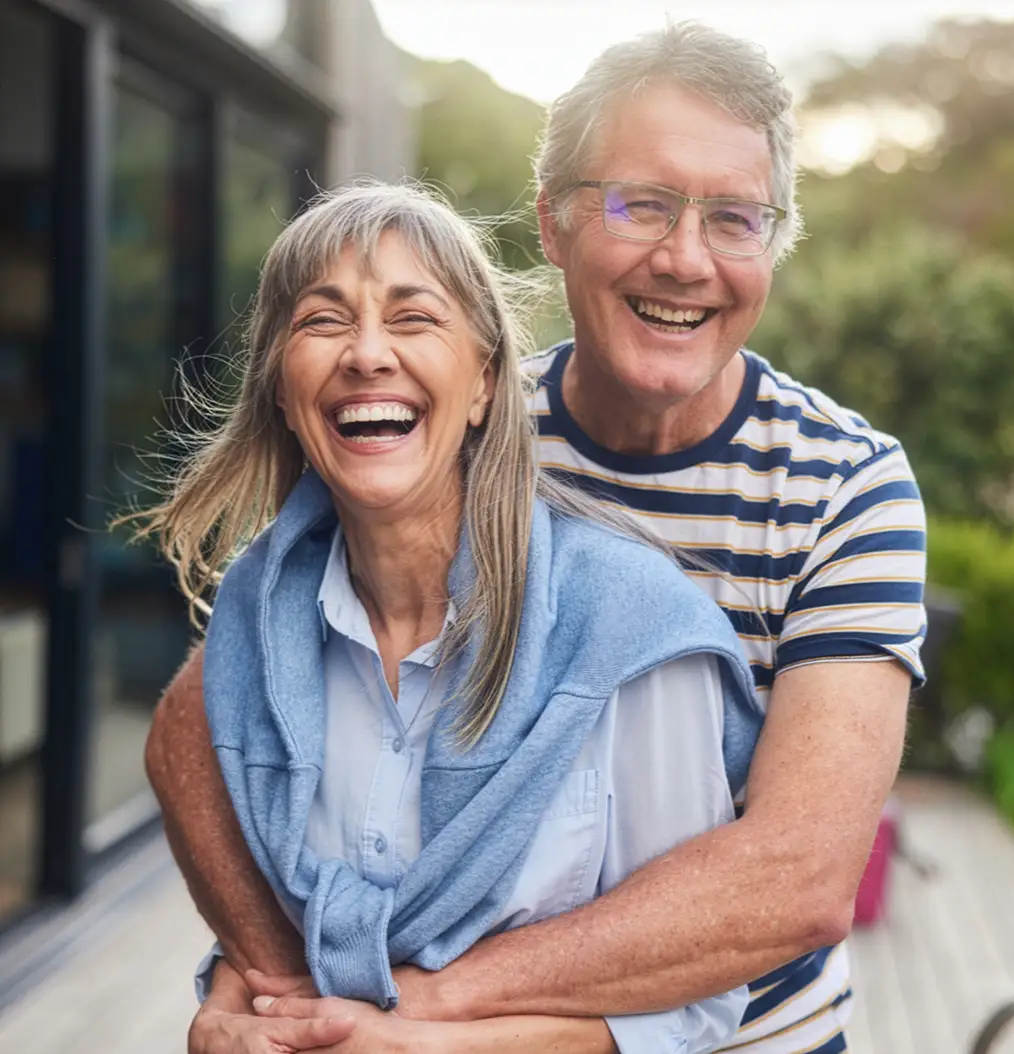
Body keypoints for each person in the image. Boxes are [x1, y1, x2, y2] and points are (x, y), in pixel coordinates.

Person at [146, 21, 927, 1054]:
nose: (683, 258)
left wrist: (415, 1003)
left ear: (771, 244)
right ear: (553, 224)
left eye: (734, 218)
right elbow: (211, 713)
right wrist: (267, 976)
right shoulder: (439, 417)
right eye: (639, 204)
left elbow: (798, 876)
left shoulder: (845, 485)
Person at [133, 179, 762, 1053]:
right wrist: (231, 1014)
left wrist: (427, 1046)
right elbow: (291, 922)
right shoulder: (258, 622)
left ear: (484, 384)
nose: (365, 354)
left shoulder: (627, 629)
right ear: (283, 391)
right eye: (322, 321)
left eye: (413, 318)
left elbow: (694, 1005)